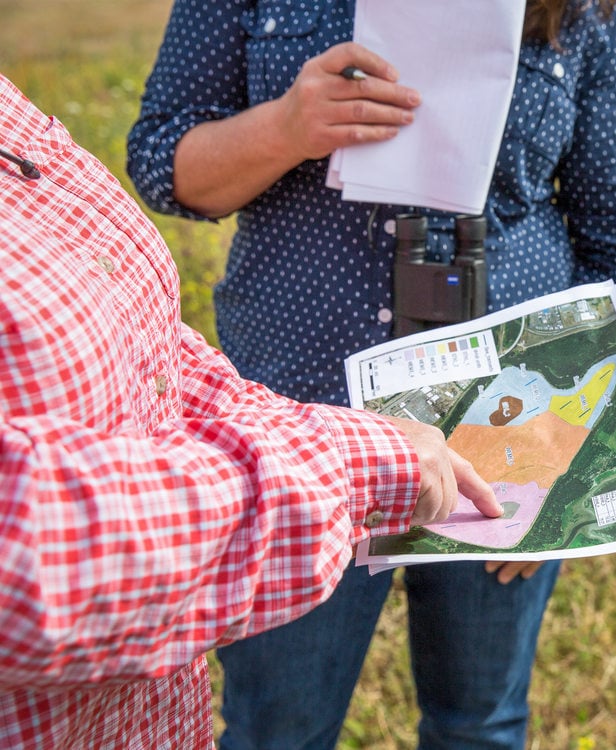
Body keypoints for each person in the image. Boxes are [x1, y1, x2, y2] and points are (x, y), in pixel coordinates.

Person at [127, 0, 616, 746]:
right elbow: (160, 163)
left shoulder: (585, 9)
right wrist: (285, 128)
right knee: (277, 726)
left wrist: (578, 465)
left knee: (479, 722)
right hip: (297, 417)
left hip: (508, 427)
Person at [0, 73, 501, 748]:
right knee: (282, 723)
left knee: (482, 719)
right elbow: (22, 543)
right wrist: (343, 466)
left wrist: (300, 437)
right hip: (312, 443)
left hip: (140, 708)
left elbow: (142, 348)